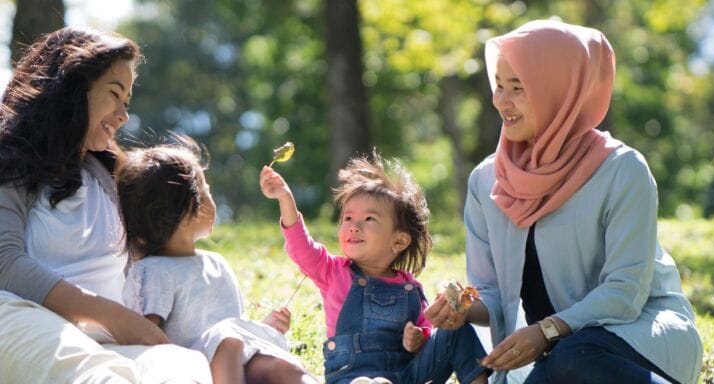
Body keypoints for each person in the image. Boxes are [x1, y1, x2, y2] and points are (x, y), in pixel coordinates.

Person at [425, 19, 703, 384]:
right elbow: (491, 293)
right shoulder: (486, 180)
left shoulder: (622, 170)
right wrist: (461, 309)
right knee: (557, 366)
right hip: (552, 357)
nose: (501, 101)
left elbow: (625, 292)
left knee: (572, 357)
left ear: (557, 90)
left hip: (636, 336)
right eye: (498, 85)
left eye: (518, 88)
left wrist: (548, 331)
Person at [0, 27, 211, 383]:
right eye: (115, 94)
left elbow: (187, 226)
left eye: (127, 101)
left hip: (113, 342)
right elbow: (5, 262)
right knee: (95, 374)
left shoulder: (113, 174)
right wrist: (107, 314)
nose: (123, 115)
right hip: (24, 319)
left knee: (182, 366)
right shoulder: (11, 163)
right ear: (69, 88)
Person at [260, 152, 491, 384]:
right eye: (348, 218)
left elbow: (425, 328)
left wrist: (419, 338)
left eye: (369, 219)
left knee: (457, 330)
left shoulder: (410, 287)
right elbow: (301, 246)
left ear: (399, 241)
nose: (354, 226)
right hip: (350, 377)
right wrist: (285, 198)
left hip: (407, 376)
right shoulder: (333, 272)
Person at [116, 136, 318, 384]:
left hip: (240, 357)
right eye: (207, 191)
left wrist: (261, 326)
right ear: (192, 207)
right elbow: (146, 334)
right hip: (199, 367)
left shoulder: (216, 263)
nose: (212, 198)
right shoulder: (154, 271)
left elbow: (233, 322)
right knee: (228, 339)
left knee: (284, 370)